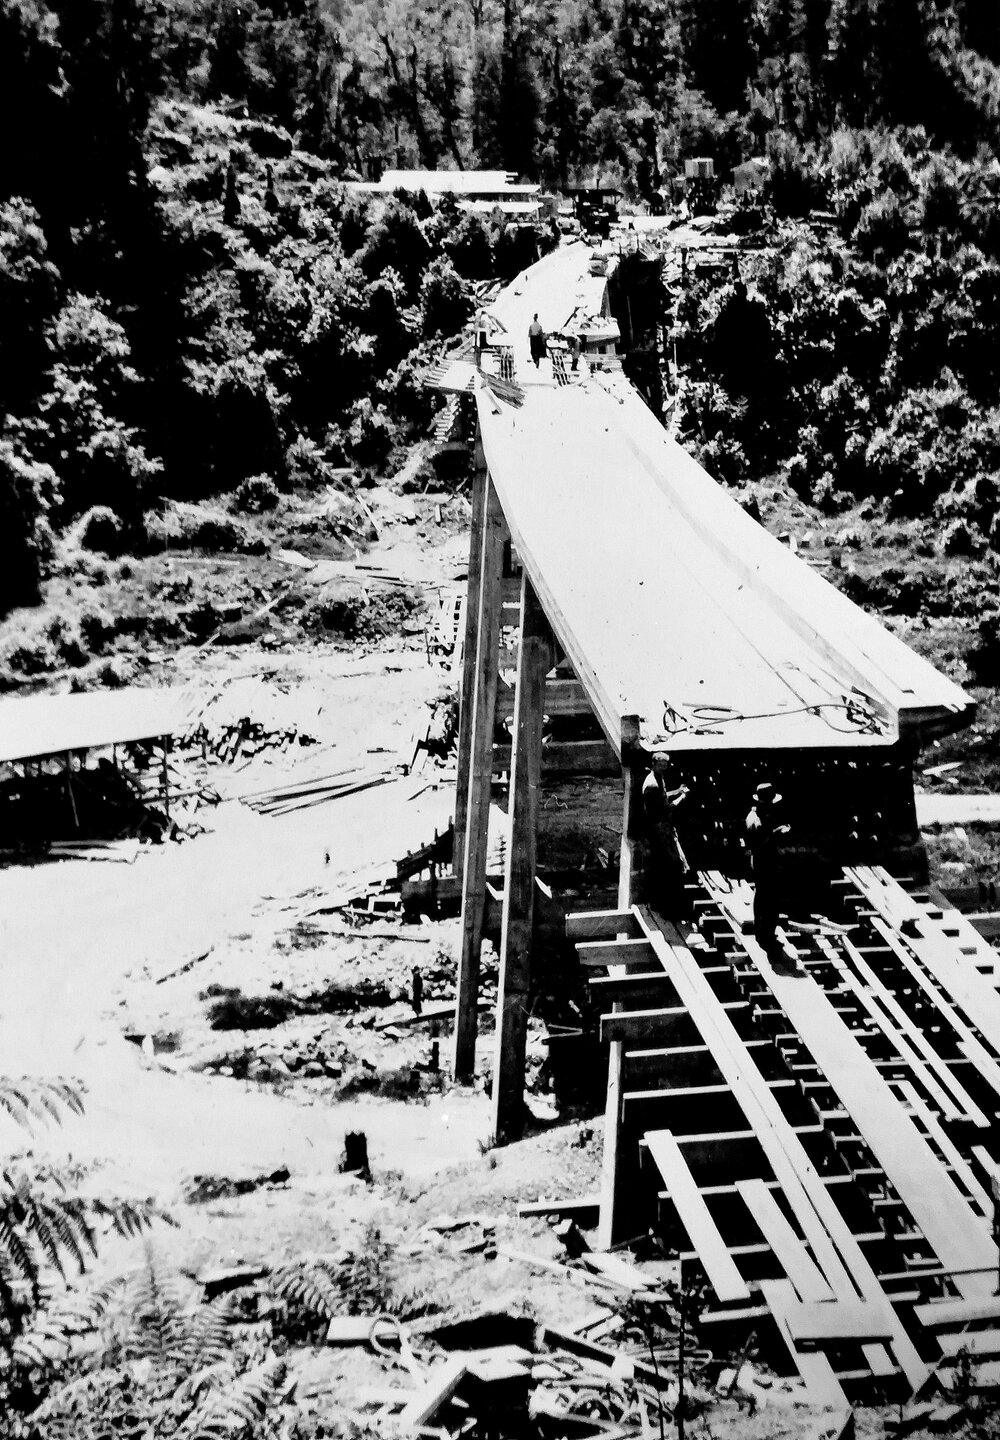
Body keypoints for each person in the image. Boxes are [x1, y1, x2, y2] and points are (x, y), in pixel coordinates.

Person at [641, 755, 690, 917]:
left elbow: (663, 796)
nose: (663, 768)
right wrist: (682, 797)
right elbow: (667, 808)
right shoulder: (652, 785)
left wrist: (677, 791)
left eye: (665, 765)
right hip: (659, 830)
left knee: (667, 865)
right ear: (653, 764)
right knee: (672, 865)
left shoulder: (657, 778)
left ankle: (665, 904)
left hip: (662, 827)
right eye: (660, 765)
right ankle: (668, 907)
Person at [745, 782, 790, 951]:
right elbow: (763, 840)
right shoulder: (757, 819)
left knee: (762, 895)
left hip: (761, 860)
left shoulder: (756, 814)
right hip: (765, 860)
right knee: (769, 898)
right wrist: (779, 832)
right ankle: (766, 935)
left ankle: (763, 932)